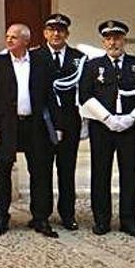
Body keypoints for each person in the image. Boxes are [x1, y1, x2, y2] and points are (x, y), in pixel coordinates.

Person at [79, 19, 135, 237]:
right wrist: (107, 118)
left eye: (117, 38)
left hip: (130, 128)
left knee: (130, 173)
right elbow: (85, 95)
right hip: (102, 128)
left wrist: (132, 119)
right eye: (108, 38)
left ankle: (129, 220)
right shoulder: (92, 66)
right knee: (100, 173)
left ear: (124, 40)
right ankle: (102, 220)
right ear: (103, 42)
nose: (113, 42)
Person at [0, 24, 59, 238]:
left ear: (26, 40)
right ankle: (1, 216)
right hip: (7, 126)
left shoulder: (42, 63)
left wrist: (57, 125)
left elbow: (50, 96)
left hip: (35, 125)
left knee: (41, 172)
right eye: (7, 36)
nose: (9, 40)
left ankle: (41, 218)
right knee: (3, 171)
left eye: (14, 37)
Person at [33, 13, 84, 230]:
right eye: (52, 30)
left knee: (67, 170)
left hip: (69, 122)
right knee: (41, 171)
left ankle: (67, 214)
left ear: (67, 33)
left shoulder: (78, 58)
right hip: (42, 124)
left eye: (60, 30)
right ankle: (40, 215)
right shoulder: (34, 56)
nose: (56, 34)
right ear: (45, 33)